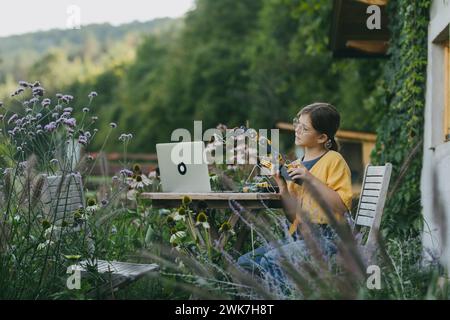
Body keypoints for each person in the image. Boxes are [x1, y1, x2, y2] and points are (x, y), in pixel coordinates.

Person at [237, 102, 353, 286]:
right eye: (297, 123)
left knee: (272, 260)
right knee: (245, 263)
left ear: (322, 137)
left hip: (328, 238)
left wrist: (310, 180)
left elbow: (341, 206)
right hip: (299, 235)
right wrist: (282, 185)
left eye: (304, 128)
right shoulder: (298, 164)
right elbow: (293, 217)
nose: (297, 130)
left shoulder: (333, 160)